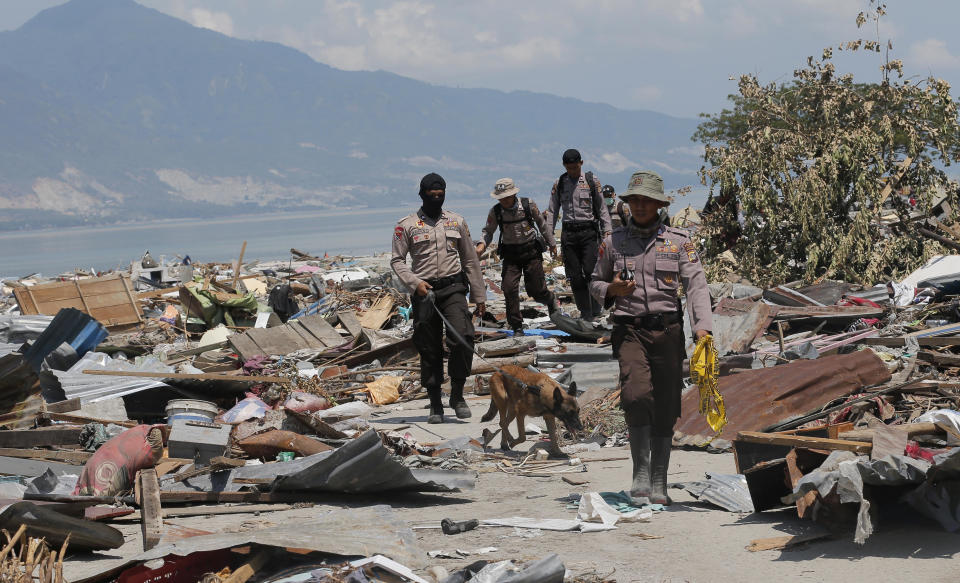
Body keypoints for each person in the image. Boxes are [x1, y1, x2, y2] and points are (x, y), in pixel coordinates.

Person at [589, 170, 712, 505]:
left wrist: (703, 327)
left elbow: (696, 286)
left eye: (647, 201)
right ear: (627, 204)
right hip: (629, 330)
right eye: (635, 200)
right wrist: (612, 289)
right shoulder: (613, 243)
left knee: (667, 403)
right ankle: (640, 472)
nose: (640, 206)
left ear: (659, 205)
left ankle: (659, 478)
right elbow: (595, 283)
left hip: (669, 331)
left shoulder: (679, 241)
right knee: (636, 394)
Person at [391, 173, 487, 424]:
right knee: (429, 347)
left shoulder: (457, 222)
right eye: (431, 195)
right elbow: (397, 261)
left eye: (440, 195)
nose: (436, 199)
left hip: (453, 288)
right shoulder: (406, 225)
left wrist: (479, 296)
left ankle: (457, 394)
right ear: (422, 195)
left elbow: (469, 259)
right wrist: (414, 284)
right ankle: (435, 402)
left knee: (463, 336)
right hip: (424, 292)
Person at [477, 178, 558, 335]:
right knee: (508, 288)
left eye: (506, 197)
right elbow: (488, 231)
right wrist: (481, 246)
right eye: (501, 198)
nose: (504, 201)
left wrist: (552, 243)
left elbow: (542, 224)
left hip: (531, 252)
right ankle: (517, 326)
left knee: (535, 290)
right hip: (510, 255)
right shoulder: (496, 211)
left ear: (513, 194)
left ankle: (550, 299)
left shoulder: (528, 205)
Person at [545, 149, 611, 320]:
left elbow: (602, 208)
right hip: (569, 233)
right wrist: (550, 238)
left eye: (575, 167)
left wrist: (607, 232)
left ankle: (596, 308)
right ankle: (585, 312)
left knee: (591, 272)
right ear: (564, 166)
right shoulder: (559, 183)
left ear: (581, 163)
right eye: (569, 168)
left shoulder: (591, 181)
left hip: (588, 231)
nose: (572, 171)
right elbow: (552, 211)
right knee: (575, 276)